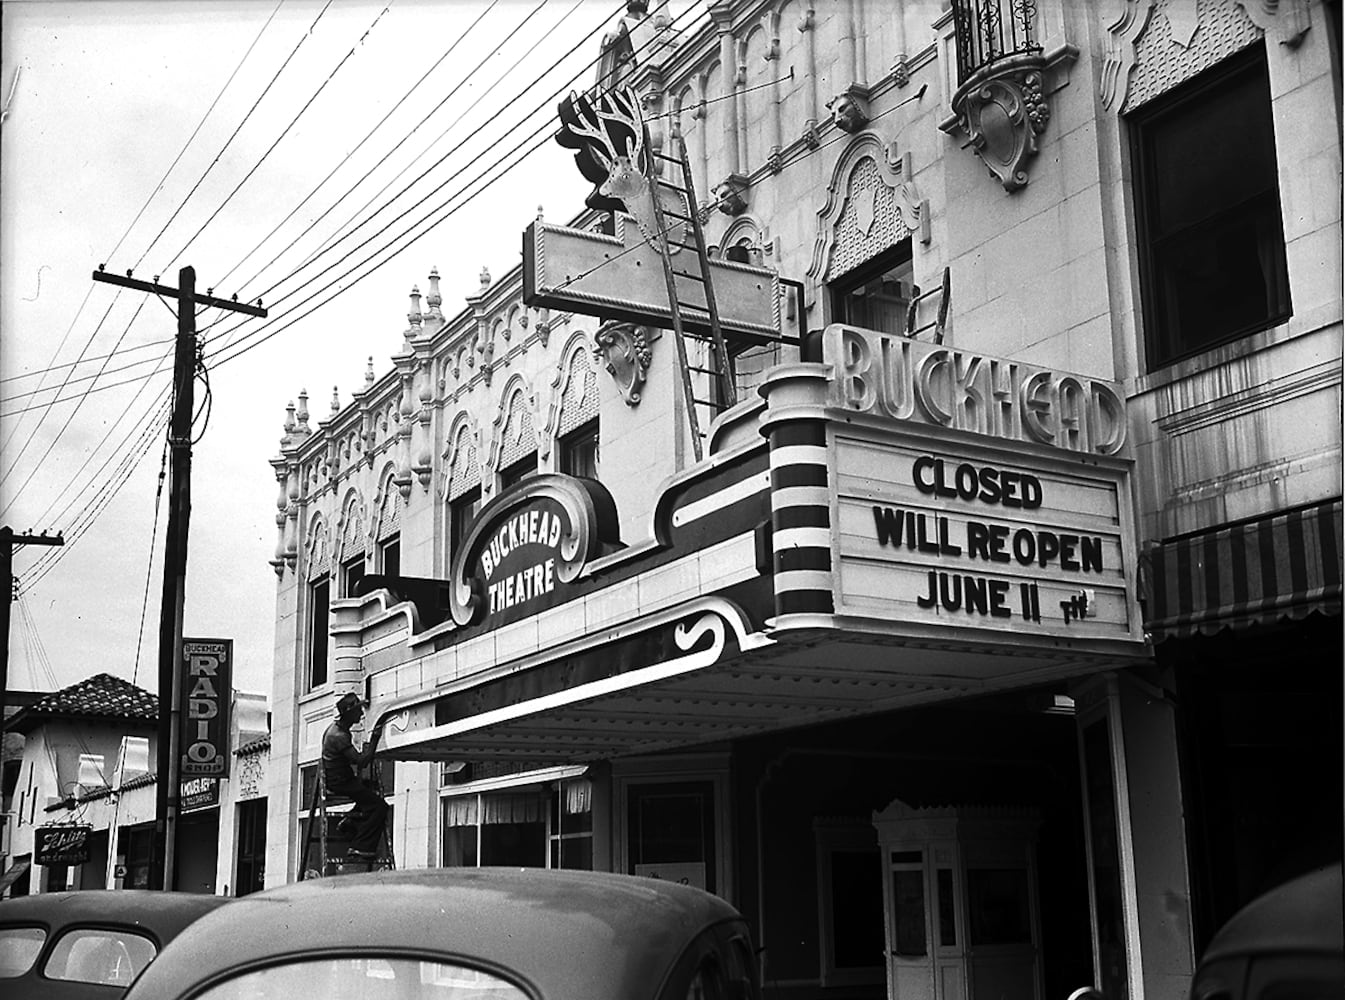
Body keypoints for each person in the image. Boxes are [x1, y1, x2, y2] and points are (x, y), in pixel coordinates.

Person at [322, 693, 387, 859]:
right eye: (358, 711)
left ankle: (351, 821)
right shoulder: (339, 736)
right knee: (380, 806)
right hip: (341, 781)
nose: (361, 714)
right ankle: (361, 846)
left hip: (340, 778)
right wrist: (374, 740)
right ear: (349, 713)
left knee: (369, 790)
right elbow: (361, 761)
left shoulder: (335, 730)